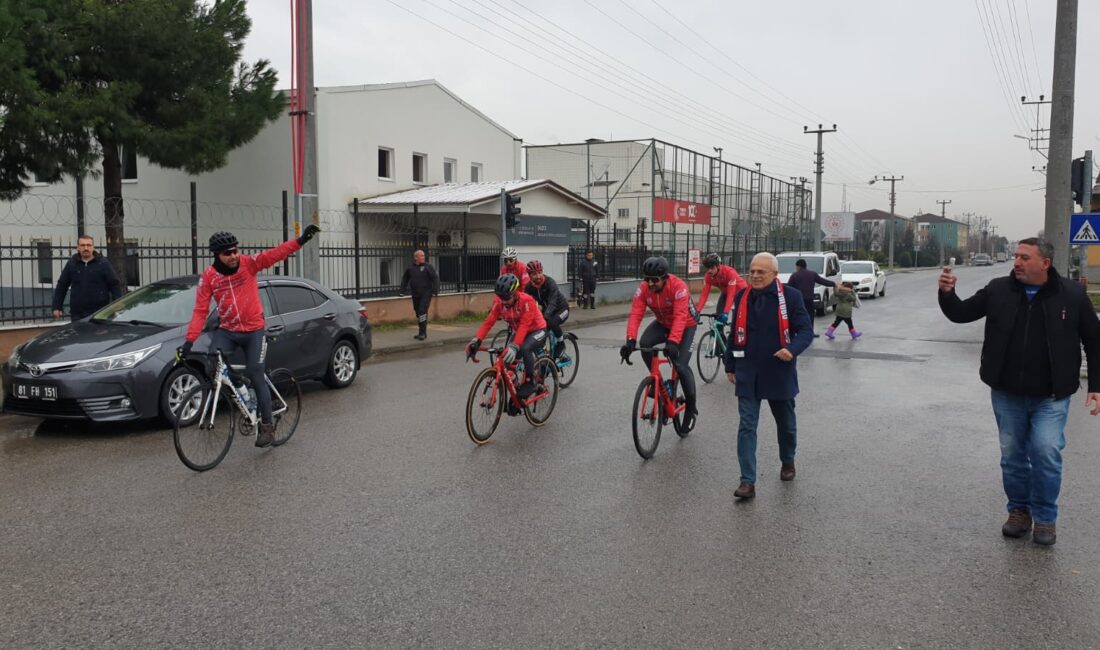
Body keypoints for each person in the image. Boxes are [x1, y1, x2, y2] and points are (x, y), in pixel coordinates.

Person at [938, 237, 1100, 546]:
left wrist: (1097, 385)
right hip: (1007, 393)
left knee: (1045, 452)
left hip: (1051, 395)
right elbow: (960, 313)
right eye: (1016, 256)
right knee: (1012, 457)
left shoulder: (1073, 295)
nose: (1017, 262)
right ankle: (1019, 512)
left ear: (1045, 263)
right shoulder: (999, 289)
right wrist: (946, 293)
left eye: (1025, 257)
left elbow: (1094, 340)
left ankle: (1046, 519)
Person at [178, 225, 321, 448]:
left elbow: (275, 254)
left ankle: (266, 427)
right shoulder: (209, 278)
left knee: (256, 372)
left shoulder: (248, 263)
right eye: (228, 253)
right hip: (228, 331)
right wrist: (189, 341)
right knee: (213, 364)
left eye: (235, 250)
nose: (234, 256)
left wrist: (300, 240)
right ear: (217, 255)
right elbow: (200, 311)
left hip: (254, 330)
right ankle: (242, 388)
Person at [724, 252, 813, 500]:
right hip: (748, 372)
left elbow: (805, 331)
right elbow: (734, 334)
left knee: (786, 425)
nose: (754, 276)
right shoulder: (742, 296)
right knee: (746, 427)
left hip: (778, 370)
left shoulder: (791, 298)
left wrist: (792, 349)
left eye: (760, 272)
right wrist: (729, 365)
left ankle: (788, 460)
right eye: (752, 271)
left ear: (774, 275)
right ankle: (747, 482)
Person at [620, 256, 699, 431]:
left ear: (665, 277)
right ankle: (661, 386)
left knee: (681, 366)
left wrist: (673, 342)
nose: (650, 283)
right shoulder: (643, 289)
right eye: (647, 279)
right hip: (663, 323)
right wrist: (630, 340)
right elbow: (635, 314)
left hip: (686, 325)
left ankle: (691, 408)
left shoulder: (679, 287)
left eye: (654, 280)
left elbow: (680, 317)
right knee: (646, 343)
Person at [467, 274, 548, 399]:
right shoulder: (500, 303)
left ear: (515, 292)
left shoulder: (527, 301)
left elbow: (524, 326)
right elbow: (489, 322)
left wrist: (515, 346)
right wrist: (477, 340)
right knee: (506, 361)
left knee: (525, 348)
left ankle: (530, 381)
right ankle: (517, 394)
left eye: (506, 297)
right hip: (521, 332)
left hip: (538, 329)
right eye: (501, 297)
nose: (503, 301)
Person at [51, 235, 122, 321]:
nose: (86, 248)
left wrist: (117, 306)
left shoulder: (103, 263)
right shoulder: (72, 264)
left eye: (88, 245)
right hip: (77, 314)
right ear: (78, 247)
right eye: (82, 245)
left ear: (93, 247)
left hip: (99, 313)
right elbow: (62, 285)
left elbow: (114, 284)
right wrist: (57, 307)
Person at [524, 260, 569, 358]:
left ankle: (561, 343)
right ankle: (544, 358)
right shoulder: (529, 287)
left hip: (561, 309)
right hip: (547, 310)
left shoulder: (550, 283)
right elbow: (524, 303)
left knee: (552, 323)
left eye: (540, 272)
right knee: (539, 331)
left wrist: (545, 317)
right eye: (534, 274)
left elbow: (552, 303)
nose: (538, 276)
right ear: (529, 275)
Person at [695, 253, 748, 329]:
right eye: (707, 268)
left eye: (712, 268)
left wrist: (726, 312)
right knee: (718, 318)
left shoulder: (729, 272)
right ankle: (720, 337)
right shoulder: (708, 276)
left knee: (736, 321)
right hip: (726, 292)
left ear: (718, 266)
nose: (709, 271)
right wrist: (698, 311)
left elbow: (731, 294)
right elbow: (704, 295)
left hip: (741, 293)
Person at [787, 258, 835, 337]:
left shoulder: (795, 275)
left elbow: (789, 287)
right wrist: (833, 284)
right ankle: (810, 332)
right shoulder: (812, 274)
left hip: (799, 300)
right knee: (810, 316)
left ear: (798, 266)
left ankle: (798, 332)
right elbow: (823, 281)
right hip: (810, 299)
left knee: (798, 315)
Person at [400, 249, 439, 341]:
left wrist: (435, 290)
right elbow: (405, 279)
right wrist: (402, 291)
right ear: (415, 258)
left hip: (426, 294)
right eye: (421, 256)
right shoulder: (410, 268)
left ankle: (423, 333)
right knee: (418, 312)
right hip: (415, 294)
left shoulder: (428, 267)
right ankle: (421, 331)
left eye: (423, 256)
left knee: (422, 311)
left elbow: (435, 278)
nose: (423, 257)